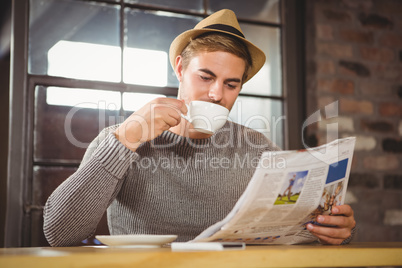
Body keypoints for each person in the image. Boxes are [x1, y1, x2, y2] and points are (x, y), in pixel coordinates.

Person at [43, 9, 356, 247]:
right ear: (180, 68)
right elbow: (59, 233)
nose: (217, 94)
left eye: (231, 84)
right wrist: (127, 138)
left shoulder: (256, 147)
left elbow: (297, 232)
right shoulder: (121, 138)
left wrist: (336, 229)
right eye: (205, 77)